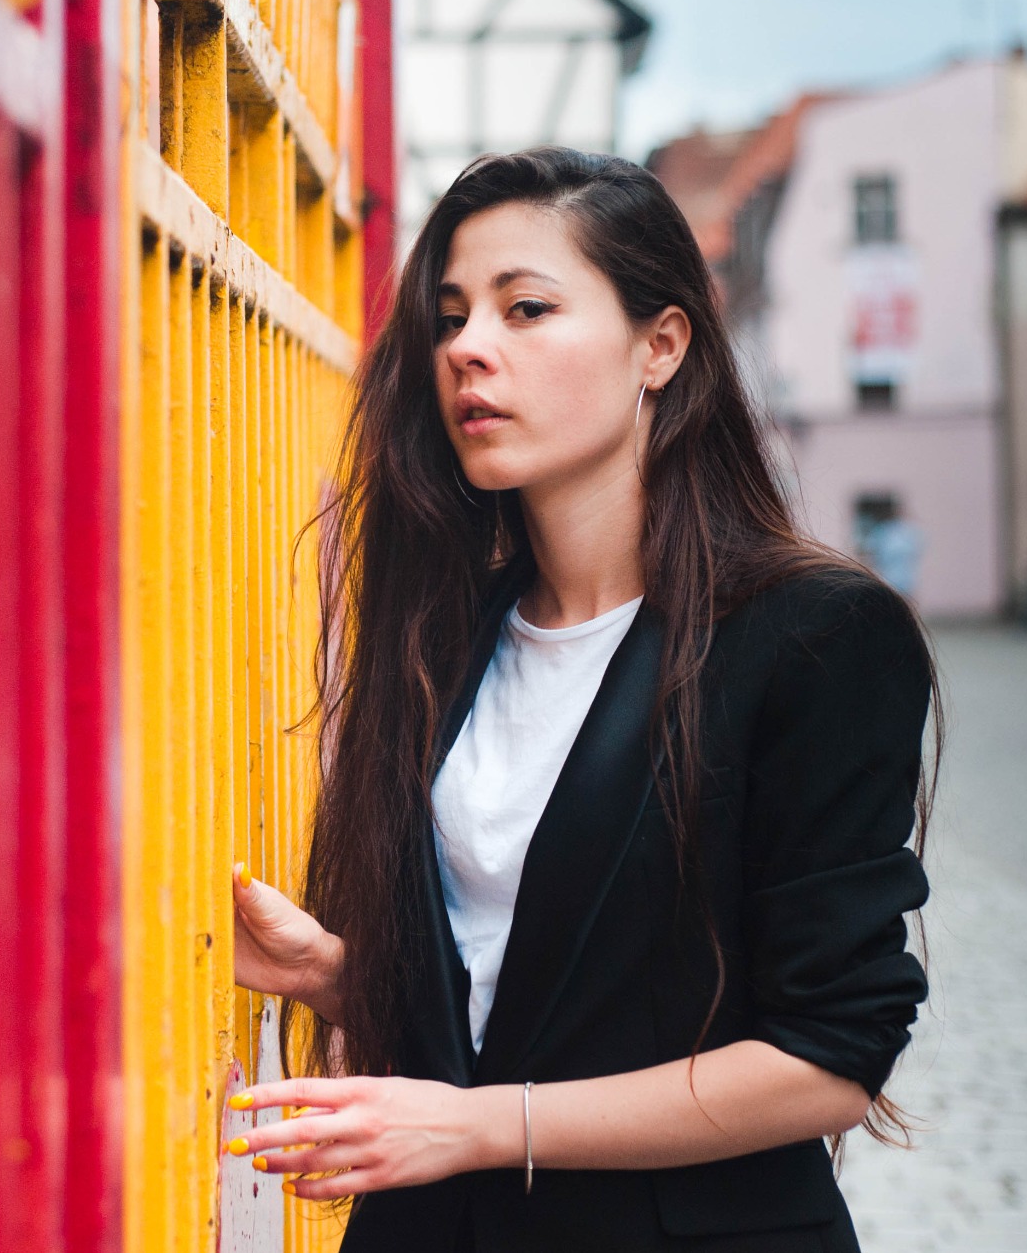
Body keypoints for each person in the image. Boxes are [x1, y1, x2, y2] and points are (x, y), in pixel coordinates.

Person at [225, 148, 936, 1252]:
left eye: (525, 308)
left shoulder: (813, 636)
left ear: (659, 345)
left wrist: (476, 1126)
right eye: (452, 314)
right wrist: (336, 972)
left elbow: (823, 1060)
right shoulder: (444, 631)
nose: (467, 346)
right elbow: (555, 986)